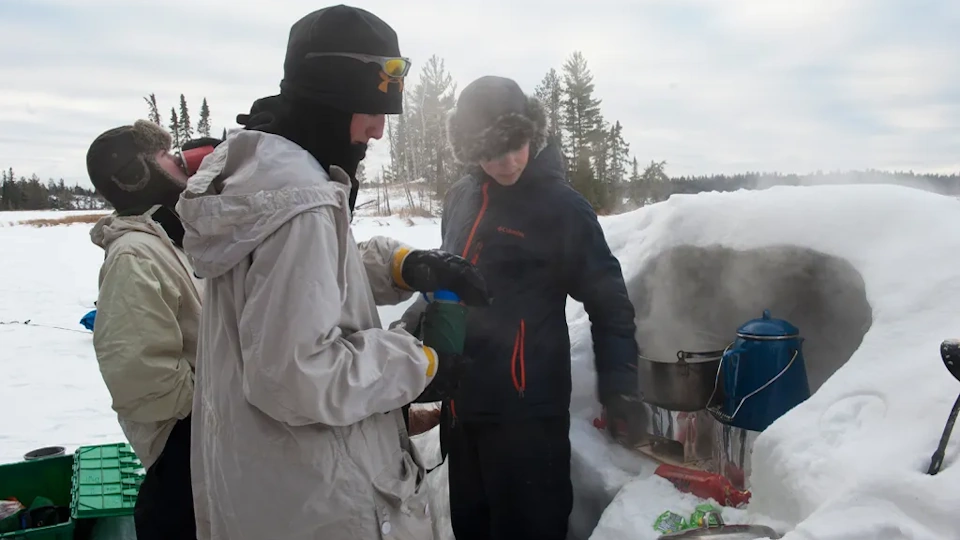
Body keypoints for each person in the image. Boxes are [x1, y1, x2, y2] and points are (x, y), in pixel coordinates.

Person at [173, 5, 488, 540]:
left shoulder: (264, 181)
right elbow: (296, 375)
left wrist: (401, 265)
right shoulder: (301, 203)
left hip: (270, 483)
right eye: (373, 110)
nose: (379, 131)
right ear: (333, 94)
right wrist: (419, 362)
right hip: (320, 496)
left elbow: (303, 279)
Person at [399, 76, 640, 540]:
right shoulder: (461, 198)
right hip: (461, 410)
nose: (507, 161)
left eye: (516, 144)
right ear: (469, 151)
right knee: (471, 529)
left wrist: (620, 387)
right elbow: (445, 285)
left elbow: (609, 303)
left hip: (527, 418)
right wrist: (409, 333)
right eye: (490, 152)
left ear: (532, 132)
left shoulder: (562, 208)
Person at [86, 120, 214, 539]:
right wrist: (211, 411)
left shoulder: (170, 239)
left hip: (207, 439)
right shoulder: (134, 255)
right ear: (136, 176)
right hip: (186, 451)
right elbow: (140, 376)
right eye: (166, 156)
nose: (180, 162)